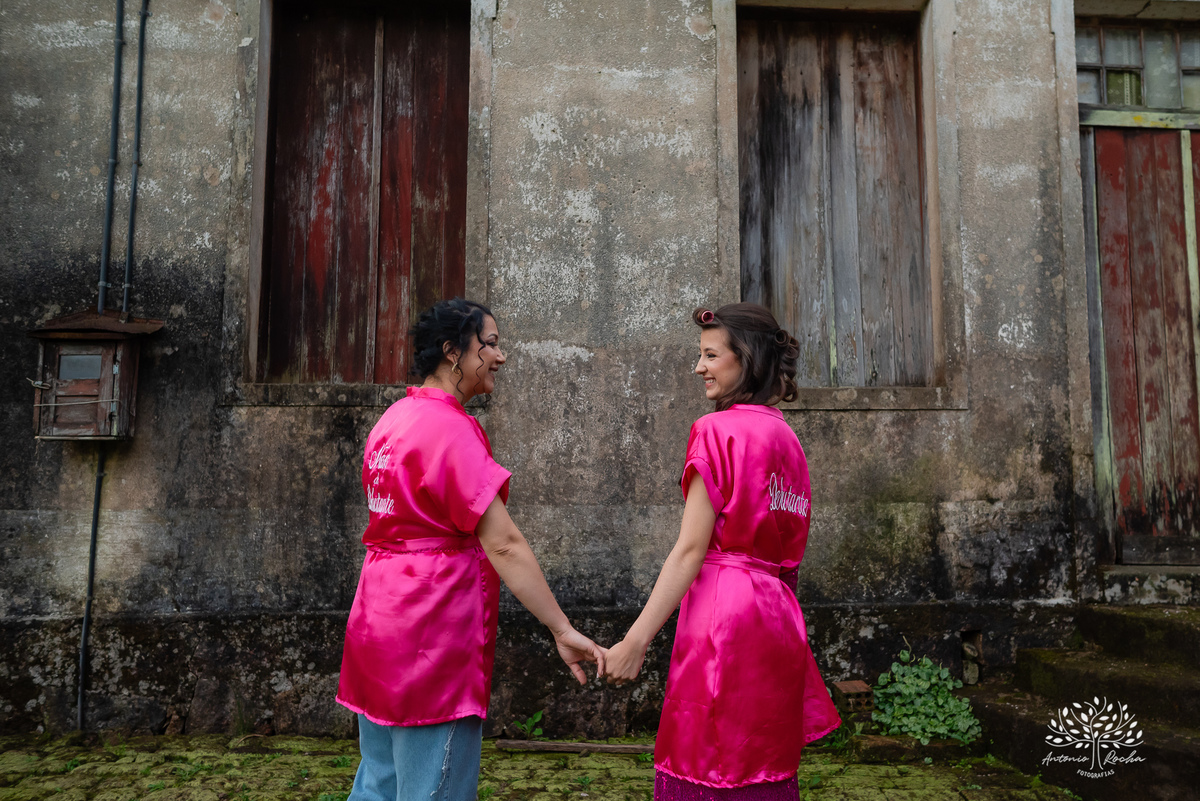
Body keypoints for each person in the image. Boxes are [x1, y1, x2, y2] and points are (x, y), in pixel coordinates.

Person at [336, 298, 605, 801]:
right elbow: (503, 542)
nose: (501, 357)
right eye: (491, 345)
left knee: (379, 782)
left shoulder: (392, 421)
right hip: (429, 632)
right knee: (433, 787)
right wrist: (561, 629)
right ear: (453, 352)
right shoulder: (450, 428)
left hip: (378, 622)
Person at [603, 303, 841, 800]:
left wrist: (636, 640)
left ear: (746, 358)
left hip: (724, 615)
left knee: (706, 758)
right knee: (762, 760)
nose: (699, 367)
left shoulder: (716, 430)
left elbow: (690, 549)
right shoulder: (787, 439)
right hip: (777, 617)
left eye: (710, 355)